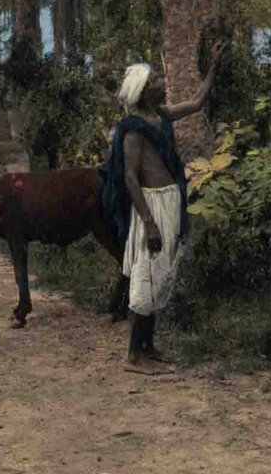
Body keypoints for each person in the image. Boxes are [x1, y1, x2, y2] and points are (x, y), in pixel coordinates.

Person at [100, 43, 225, 375]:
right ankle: (133, 356)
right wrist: (149, 222)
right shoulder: (132, 131)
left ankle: (149, 347)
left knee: (163, 273)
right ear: (143, 91)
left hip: (170, 199)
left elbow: (197, 103)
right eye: (155, 80)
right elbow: (129, 177)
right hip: (151, 206)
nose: (161, 82)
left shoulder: (161, 115)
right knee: (147, 275)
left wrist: (212, 68)